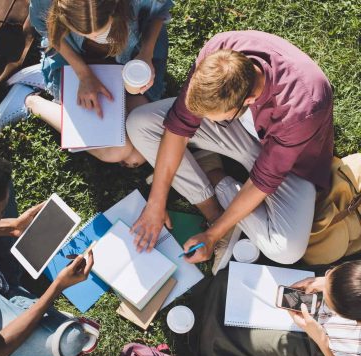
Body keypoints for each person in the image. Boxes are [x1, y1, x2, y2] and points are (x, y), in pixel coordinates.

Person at [126, 30, 334, 270]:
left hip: (292, 162)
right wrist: (155, 202)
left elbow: (264, 180)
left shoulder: (303, 108)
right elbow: (179, 125)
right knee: (138, 123)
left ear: (246, 101)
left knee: (286, 250)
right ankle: (211, 208)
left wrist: (212, 235)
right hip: (242, 131)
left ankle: (215, 176)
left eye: (214, 119)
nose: (204, 123)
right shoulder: (219, 52)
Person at [0, 0, 172, 168]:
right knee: (116, 151)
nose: (94, 37)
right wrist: (84, 75)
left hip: (133, 55)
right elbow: (48, 30)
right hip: (74, 59)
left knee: (136, 156)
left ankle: (51, 84)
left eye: (101, 31)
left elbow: (158, 12)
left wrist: (146, 54)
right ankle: (29, 100)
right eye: (83, 32)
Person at [0, 149, 99, 356]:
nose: (4, 214)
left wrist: (11, 227)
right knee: (71, 340)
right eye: (1, 211)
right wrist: (57, 287)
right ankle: (18, 298)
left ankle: (17, 296)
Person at [188, 261, 361, 356]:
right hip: (321, 325)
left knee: (243, 339)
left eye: (329, 302)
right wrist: (326, 280)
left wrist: (322, 341)